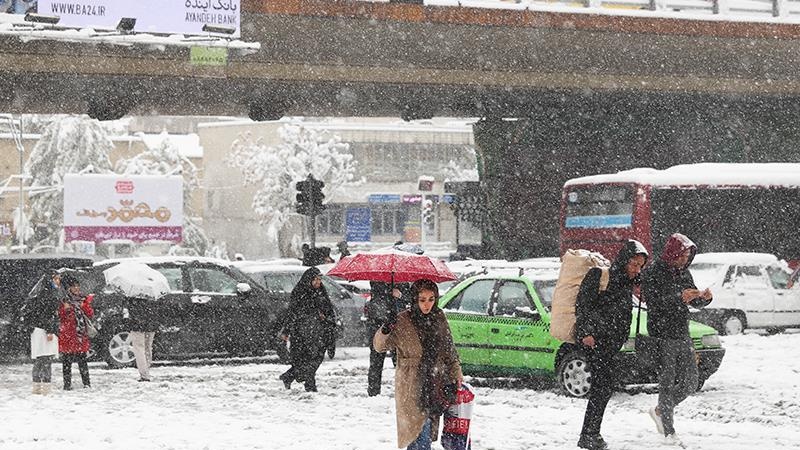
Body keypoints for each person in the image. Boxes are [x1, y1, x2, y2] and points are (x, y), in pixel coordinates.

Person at [574, 240, 649, 450]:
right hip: (595, 341)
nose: (636, 269)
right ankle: (589, 435)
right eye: (634, 264)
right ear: (624, 260)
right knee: (603, 386)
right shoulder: (600, 275)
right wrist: (586, 333)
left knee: (604, 387)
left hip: (611, 342)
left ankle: (590, 433)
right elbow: (583, 305)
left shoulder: (626, 281)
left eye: (640, 266)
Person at [374, 279, 463, 450]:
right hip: (411, 387)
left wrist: (456, 375)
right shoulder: (402, 320)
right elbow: (379, 346)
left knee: (423, 437)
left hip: (435, 385)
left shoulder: (439, 317)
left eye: (431, 299)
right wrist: (386, 328)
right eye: (422, 300)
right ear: (414, 299)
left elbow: (449, 350)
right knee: (416, 435)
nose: (427, 305)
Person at [641, 233, 713, 445]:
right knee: (667, 381)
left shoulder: (684, 273)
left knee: (691, 381)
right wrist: (678, 298)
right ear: (672, 253)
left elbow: (692, 301)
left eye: (687, 257)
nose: (684, 260)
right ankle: (669, 432)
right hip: (661, 334)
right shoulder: (653, 272)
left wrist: (704, 299)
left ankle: (660, 411)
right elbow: (653, 303)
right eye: (681, 256)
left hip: (682, 332)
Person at [279, 267, 336, 392]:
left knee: (315, 359)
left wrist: (326, 319)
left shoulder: (321, 291)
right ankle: (310, 385)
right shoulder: (300, 292)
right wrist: (286, 331)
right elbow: (292, 313)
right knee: (307, 359)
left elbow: (329, 310)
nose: (318, 282)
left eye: (319, 279)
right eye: (315, 279)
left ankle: (289, 376)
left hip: (319, 331)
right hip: (302, 333)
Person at [21, 270, 62, 395]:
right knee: (45, 359)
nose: (58, 281)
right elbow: (46, 315)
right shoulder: (48, 294)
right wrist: (49, 330)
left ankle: (38, 386)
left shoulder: (41, 293)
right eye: (56, 279)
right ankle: (44, 387)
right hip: (43, 331)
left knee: (41, 359)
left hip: (38, 330)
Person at [365, 281, 404, 396]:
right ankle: (373, 392)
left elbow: (407, 297)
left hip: (396, 323)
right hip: (379, 323)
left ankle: (403, 390)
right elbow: (376, 294)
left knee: (400, 360)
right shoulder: (378, 279)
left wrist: (400, 295)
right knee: (376, 358)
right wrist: (389, 292)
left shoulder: (400, 279)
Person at [57, 273, 94, 390]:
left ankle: (86, 383)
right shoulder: (64, 300)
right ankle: (67, 384)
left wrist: (84, 305)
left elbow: (90, 314)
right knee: (67, 361)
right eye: (74, 286)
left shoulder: (83, 299)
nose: (77, 288)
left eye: (78, 286)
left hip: (80, 335)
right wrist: (65, 309)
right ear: (69, 288)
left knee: (82, 360)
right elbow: (60, 317)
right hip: (68, 334)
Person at [127, 295, 160, 382]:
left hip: (137, 325)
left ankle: (144, 374)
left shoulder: (133, 296)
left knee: (139, 349)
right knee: (147, 347)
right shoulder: (153, 295)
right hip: (151, 324)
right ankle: (147, 369)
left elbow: (130, 309)